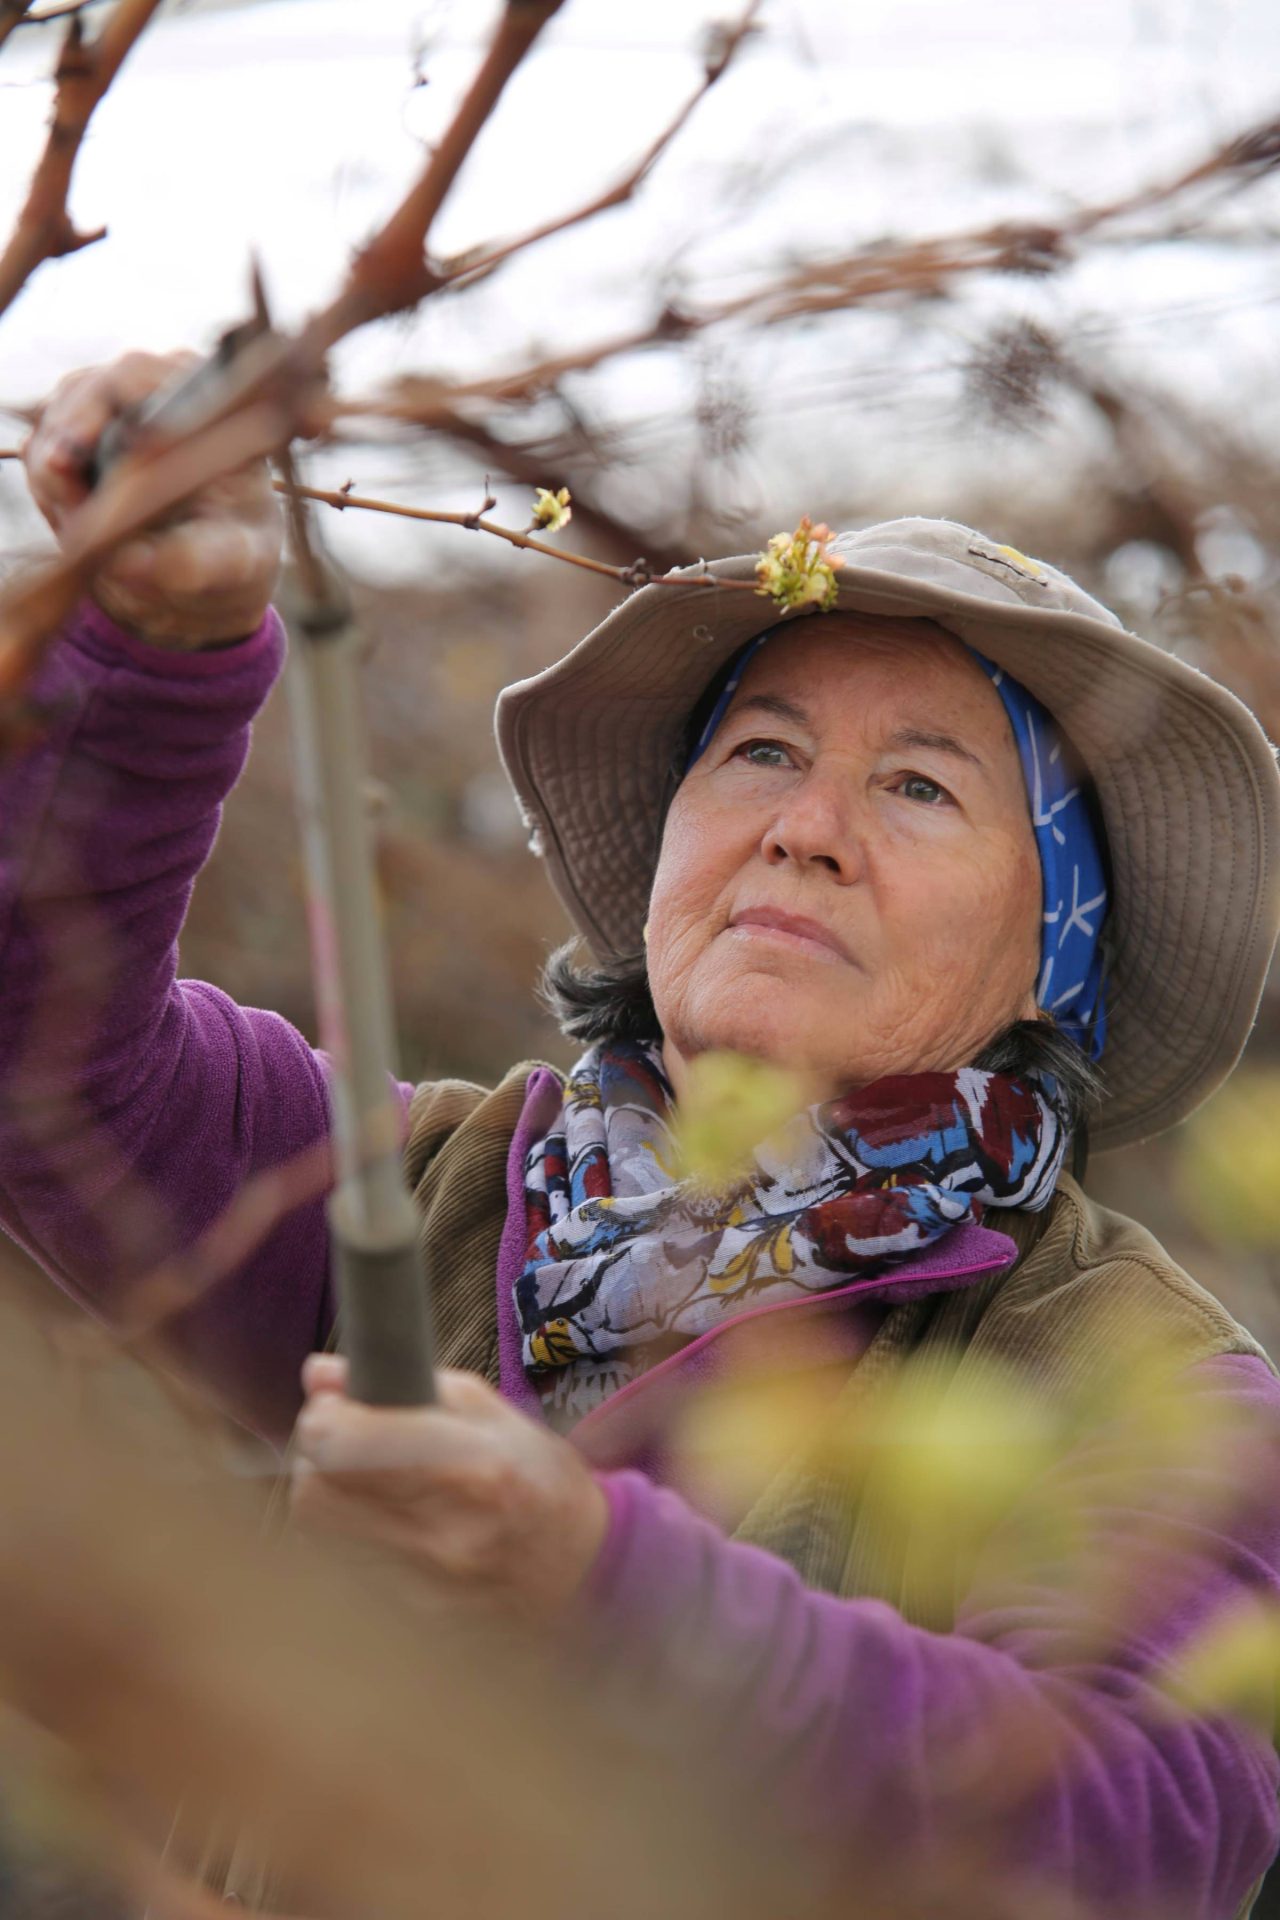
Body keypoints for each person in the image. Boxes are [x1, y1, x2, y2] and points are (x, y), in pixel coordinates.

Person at [4, 352, 1280, 1919]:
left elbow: (1133, 1826)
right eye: (760, 750)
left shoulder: (1139, 1376)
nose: (806, 826)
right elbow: (50, 1056)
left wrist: (599, 1584)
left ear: (1054, 958)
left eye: (921, 787)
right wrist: (162, 649)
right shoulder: (440, 1194)